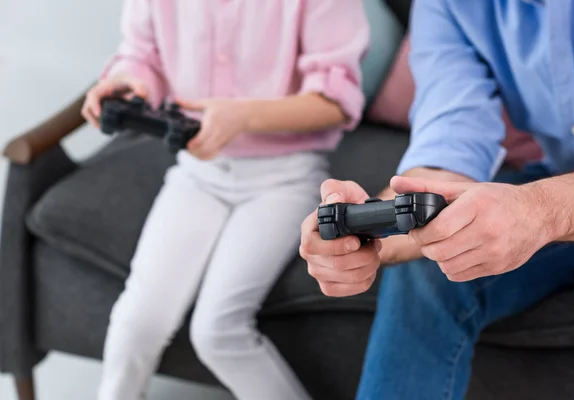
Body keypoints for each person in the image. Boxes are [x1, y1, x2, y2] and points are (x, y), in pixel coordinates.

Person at [299, 1, 574, 399]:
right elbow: (449, 149)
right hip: (566, 180)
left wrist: (542, 210)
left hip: (563, 195)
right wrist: (364, 233)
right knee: (439, 256)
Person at [81, 1, 368, 399]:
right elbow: (143, 56)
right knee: (136, 321)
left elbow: (336, 101)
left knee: (218, 332)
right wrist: (128, 82)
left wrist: (244, 116)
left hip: (285, 178)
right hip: (198, 173)